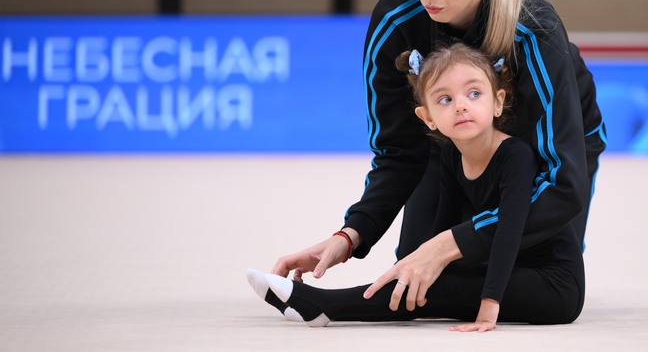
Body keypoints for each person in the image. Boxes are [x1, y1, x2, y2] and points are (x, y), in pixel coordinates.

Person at [271, 0, 606, 313]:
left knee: (551, 284)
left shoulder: (533, 29)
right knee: (416, 268)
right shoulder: (397, 20)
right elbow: (399, 152)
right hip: (447, 146)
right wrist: (351, 235)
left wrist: (451, 242)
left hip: (545, 153)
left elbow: (563, 184)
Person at [249, 43, 584, 330]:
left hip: (553, 284)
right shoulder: (452, 156)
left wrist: (489, 304)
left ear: (497, 102)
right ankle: (321, 304)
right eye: (445, 99)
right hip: (506, 267)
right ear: (427, 118)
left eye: (474, 93)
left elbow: (510, 231)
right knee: (424, 280)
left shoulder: (515, 155)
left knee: (437, 290)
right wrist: (428, 267)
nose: (461, 105)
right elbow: (444, 228)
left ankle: (323, 304)